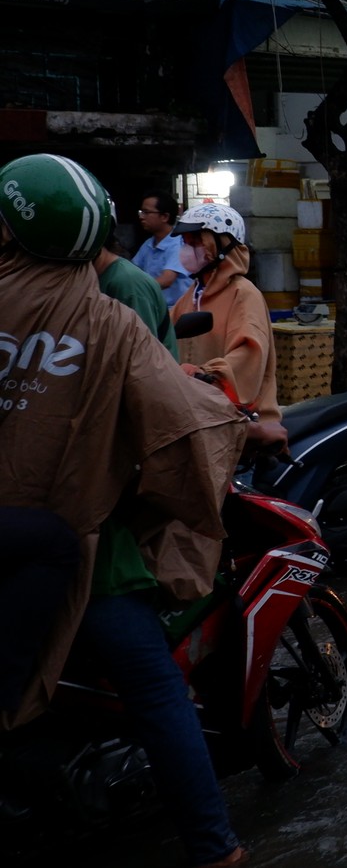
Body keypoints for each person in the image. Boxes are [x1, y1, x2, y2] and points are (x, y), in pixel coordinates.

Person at [0, 154, 255, 868]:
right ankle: (215, 848)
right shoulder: (111, 313)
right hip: (90, 548)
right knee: (157, 689)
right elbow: (175, 426)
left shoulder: (117, 295)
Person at [169, 203, 280, 423]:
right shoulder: (193, 294)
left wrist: (202, 374)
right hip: (198, 411)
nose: (188, 249)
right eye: (186, 242)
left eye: (197, 241)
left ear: (221, 245)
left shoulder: (244, 294)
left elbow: (248, 357)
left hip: (242, 420)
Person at [131, 190, 191, 309]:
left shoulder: (178, 243)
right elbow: (133, 271)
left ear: (164, 217)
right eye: (141, 212)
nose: (141, 217)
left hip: (176, 312)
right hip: (155, 309)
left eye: (146, 212)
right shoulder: (149, 243)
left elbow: (166, 280)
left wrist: (134, 289)